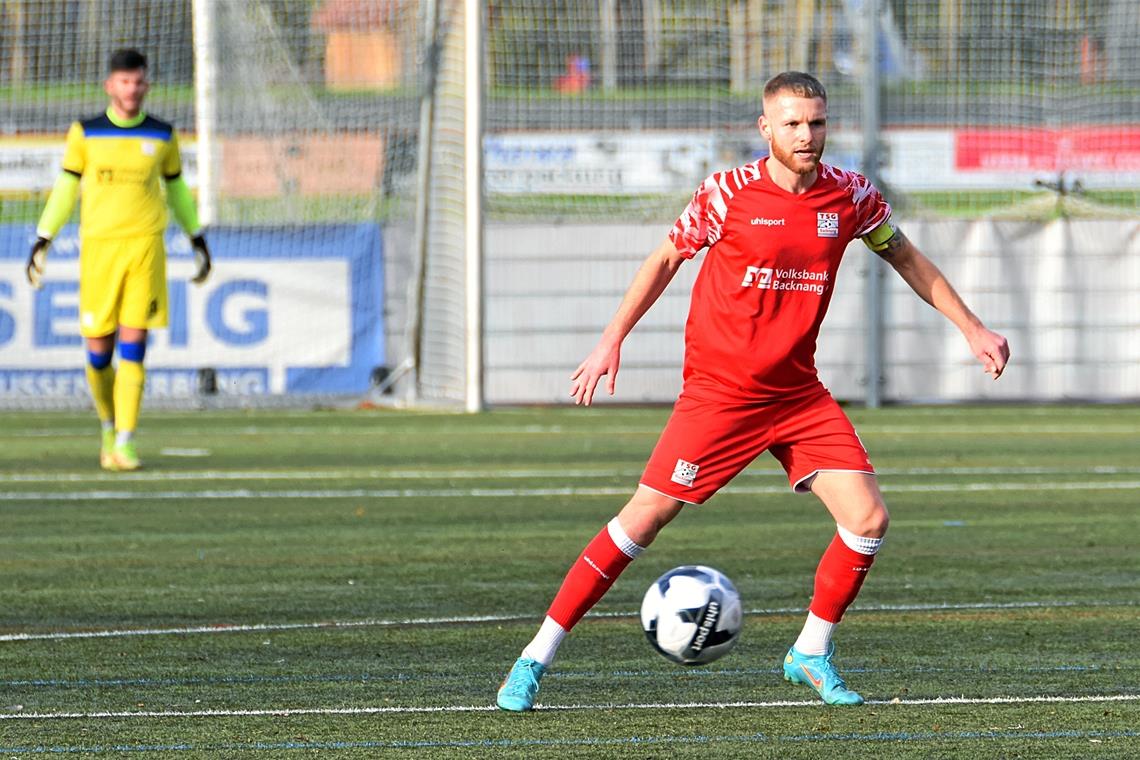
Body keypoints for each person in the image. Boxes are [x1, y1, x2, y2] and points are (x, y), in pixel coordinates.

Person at [496, 71, 1010, 711]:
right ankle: (532, 660)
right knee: (643, 521)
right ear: (765, 128)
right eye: (792, 123)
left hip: (798, 396)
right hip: (719, 396)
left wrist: (972, 327)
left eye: (816, 122)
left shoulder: (850, 196)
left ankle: (811, 652)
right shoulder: (727, 193)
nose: (807, 135)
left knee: (868, 520)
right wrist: (611, 338)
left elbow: (905, 256)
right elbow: (663, 259)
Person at [26, 48, 211, 471]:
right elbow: (65, 189)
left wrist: (197, 236)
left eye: (139, 81)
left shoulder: (163, 135)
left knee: (134, 348)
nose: (132, 89)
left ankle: (126, 441)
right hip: (98, 252)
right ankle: (108, 425)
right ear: (110, 85)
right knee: (98, 354)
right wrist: (43, 237)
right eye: (125, 81)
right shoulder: (85, 133)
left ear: (147, 85)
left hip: (145, 250)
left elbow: (177, 189)